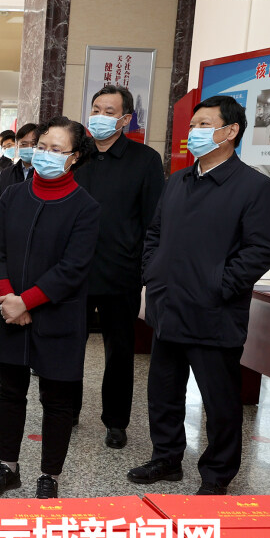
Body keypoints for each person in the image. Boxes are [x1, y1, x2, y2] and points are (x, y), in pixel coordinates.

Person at [128, 95, 270, 495]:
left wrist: (219, 285)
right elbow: (155, 233)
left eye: (204, 125)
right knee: (163, 391)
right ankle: (166, 458)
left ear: (230, 132)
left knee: (220, 401)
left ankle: (216, 476)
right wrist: (153, 273)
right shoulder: (178, 181)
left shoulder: (256, 187)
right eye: (192, 124)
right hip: (167, 306)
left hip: (214, 313)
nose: (194, 132)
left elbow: (260, 250)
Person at [0, 116, 100, 500]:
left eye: (56, 150)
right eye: (42, 147)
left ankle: (50, 475)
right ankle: (7, 467)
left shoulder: (85, 207)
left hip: (57, 315)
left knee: (57, 400)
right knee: (10, 392)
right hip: (7, 309)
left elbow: (73, 268)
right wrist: (7, 298)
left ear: (75, 157)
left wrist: (26, 301)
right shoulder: (14, 195)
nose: (45, 155)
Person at [74, 85, 165, 449]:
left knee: (120, 351)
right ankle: (67, 410)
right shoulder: (75, 155)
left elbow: (153, 221)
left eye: (109, 111)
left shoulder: (145, 160)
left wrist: (145, 270)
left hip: (121, 273)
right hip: (73, 273)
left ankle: (115, 422)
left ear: (125, 119)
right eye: (96, 109)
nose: (99, 116)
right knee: (68, 345)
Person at [0, 123, 37, 220]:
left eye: (34, 144)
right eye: (24, 144)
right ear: (17, 146)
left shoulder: (45, 175)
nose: (29, 148)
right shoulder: (6, 173)